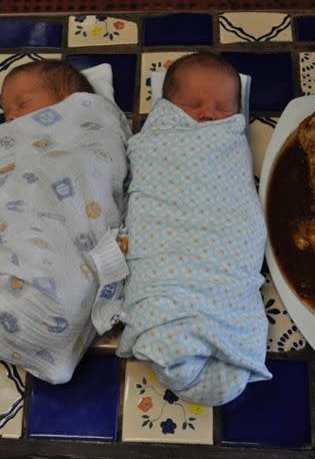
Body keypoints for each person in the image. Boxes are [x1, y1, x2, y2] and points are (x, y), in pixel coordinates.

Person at [114, 52, 272, 406]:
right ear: (167, 107)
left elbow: (236, 194)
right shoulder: (161, 140)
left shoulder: (228, 142)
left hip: (224, 244)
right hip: (167, 243)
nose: (209, 114)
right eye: (193, 104)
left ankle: (213, 322)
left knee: (234, 264)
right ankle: (173, 323)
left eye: (223, 108)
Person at [0, 60, 131, 384]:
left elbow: (98, 171)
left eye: (23, 104)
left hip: (69, 244)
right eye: (6, 113)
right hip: (27, 237)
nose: (11, 118)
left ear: (71, 104)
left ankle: (51, 311)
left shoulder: (86, 135)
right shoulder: (20, 141)